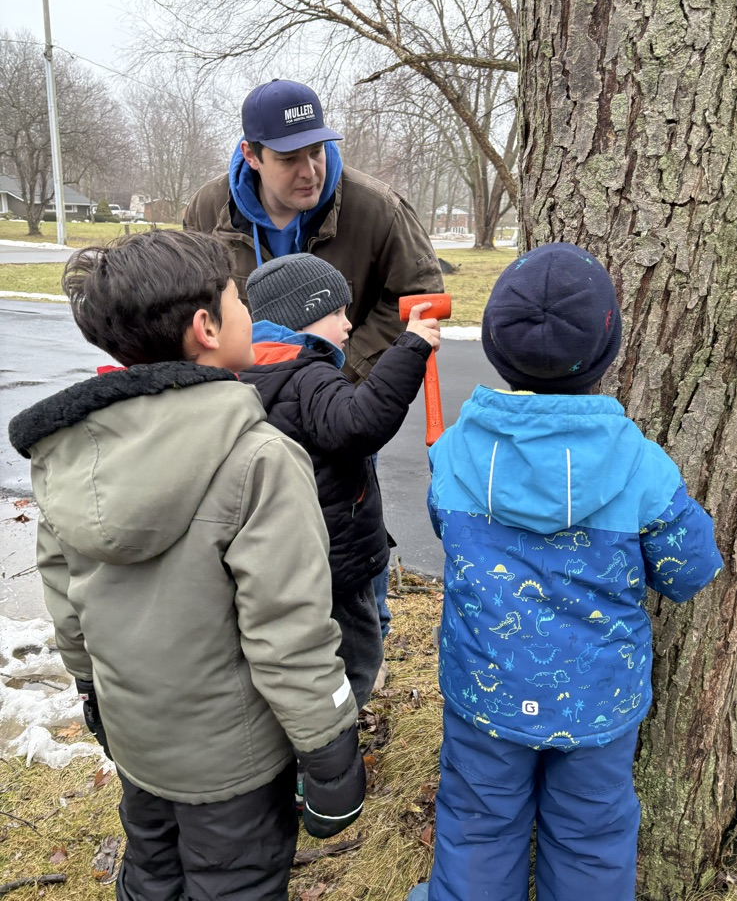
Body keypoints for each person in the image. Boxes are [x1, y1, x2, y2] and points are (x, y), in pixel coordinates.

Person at [8, 229, 366, 901]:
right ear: (207, 327)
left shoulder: (67, 453)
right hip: (235, 766)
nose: (246, 312)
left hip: (137, 742)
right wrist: (330, 751)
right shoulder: (258, 458)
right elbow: (288, 631)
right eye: (237, 299)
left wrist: (93, 698)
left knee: (151, 875)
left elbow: (67, 606)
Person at [408, 242, 723, 901]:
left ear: (496, 344)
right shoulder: (642, 468)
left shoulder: (458, 451)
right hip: (597, 705)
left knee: (477, 829)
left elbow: (448, 528)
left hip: (486, 695)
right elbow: (688, 568)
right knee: (590, 840)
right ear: (606, 354)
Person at [184, 77, 444, 645]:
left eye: (317, 151)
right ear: (251, 155)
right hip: (240, 417)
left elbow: (418, 293)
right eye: (289, 158)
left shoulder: (376, 208)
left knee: (350, 535)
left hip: (335, 406)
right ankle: (281, 659)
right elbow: (186, 304)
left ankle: (363, 646)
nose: (310, 170)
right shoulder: (209, 208)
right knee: (257, 541)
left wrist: (341, 371)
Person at [241, 252, 440, 710]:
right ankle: (338, 735)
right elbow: (360, 421)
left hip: (286, 561)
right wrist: (409, 348)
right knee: (354, 657)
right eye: (336, 313)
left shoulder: (253, 372)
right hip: (338, 559)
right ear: (304, 316)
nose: (348, 325)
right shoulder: (306, 375)